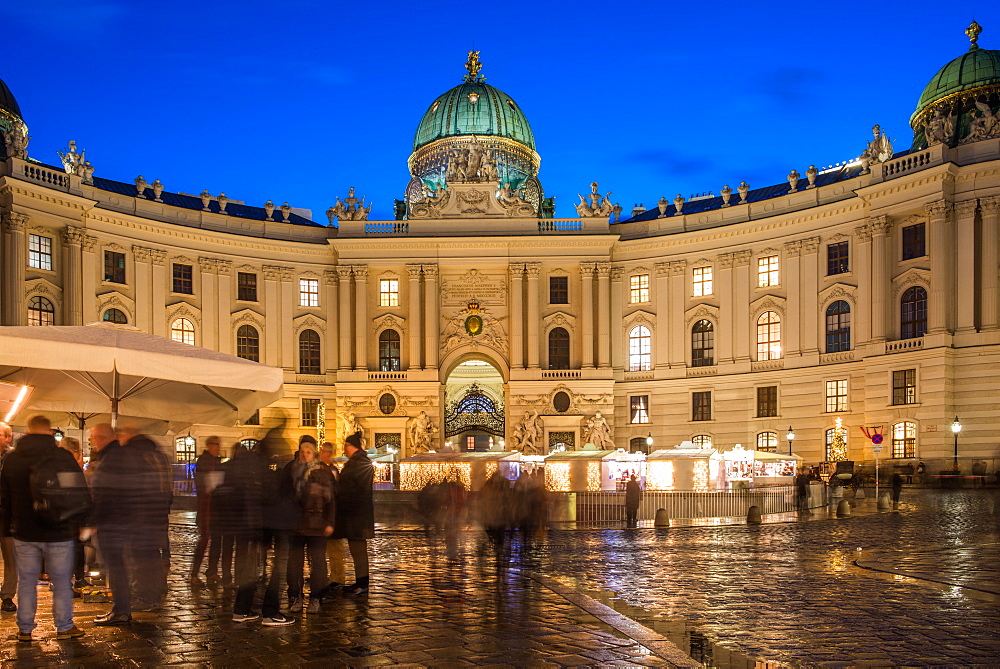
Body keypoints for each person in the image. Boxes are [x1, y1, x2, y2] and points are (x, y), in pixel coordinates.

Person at [0, 415, 86, 641]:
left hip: (24, 530)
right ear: (49, 432)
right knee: (61, 581)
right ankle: (64, 626)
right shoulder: (62, 456)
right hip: (59, 530)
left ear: (27, 431)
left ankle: (25, 628)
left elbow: (5, 497)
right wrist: (80, 523)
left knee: (27, 581)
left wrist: (8, 526)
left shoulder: (12, 458)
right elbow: (77, 492)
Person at [87, 425, 172, 625]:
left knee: (119, 566)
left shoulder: (116, 457)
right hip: (139, 518)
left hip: (118, 520)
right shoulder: (140, 456)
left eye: (93, 438)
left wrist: (95, 519)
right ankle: (128, 605)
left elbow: (105, 493)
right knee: (132, 563)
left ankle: (123, 609)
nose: (92, 442)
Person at [285, 436, 335, 613]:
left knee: (318, 563)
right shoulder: (291, 469)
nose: (305, 455)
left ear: (313, 453)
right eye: (302, 452)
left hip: (316, 523)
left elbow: (331, 499)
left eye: (308, 452)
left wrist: (330, 522)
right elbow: (284, 495)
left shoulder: (322, 471)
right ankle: (295, 596)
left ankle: (315, 596)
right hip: (296, 524)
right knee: (294, 564)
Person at [333, 432, 374, 595]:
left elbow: (358, 489)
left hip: (357, 514)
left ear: (352, 446)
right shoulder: (356, 462)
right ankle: (360, 581)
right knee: (356, 549)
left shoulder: (360, 463)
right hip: (354, 514)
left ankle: (362, 584)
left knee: (358, 550)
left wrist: (340, 489)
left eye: (346, 445)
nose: (344, 448)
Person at [190, 436, 224, 584]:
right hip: (207, 507)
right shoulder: (204, 461)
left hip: (215, 508)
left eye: (218, 445)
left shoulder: (215, 461)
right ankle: (194, 574)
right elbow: (204, 484)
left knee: (217, 540)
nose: (218, 448)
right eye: (216, 445)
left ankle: (211, 572)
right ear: (209, 446)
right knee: (204, 540)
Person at [318, 441, 346, 599]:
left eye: (323, 451)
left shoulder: (331, 470)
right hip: (326, 515)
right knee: (326, 549)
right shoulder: (326, 469)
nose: (321, 454)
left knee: (335, 549)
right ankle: (331, 576)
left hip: (332, 515)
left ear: (329, 453)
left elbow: (335, 492)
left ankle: (338, 577)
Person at [0, 421, 17, 612]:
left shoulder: (14, 458)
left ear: (8, 437)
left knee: (11, 558)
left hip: (8, 514)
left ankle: (7, 595)